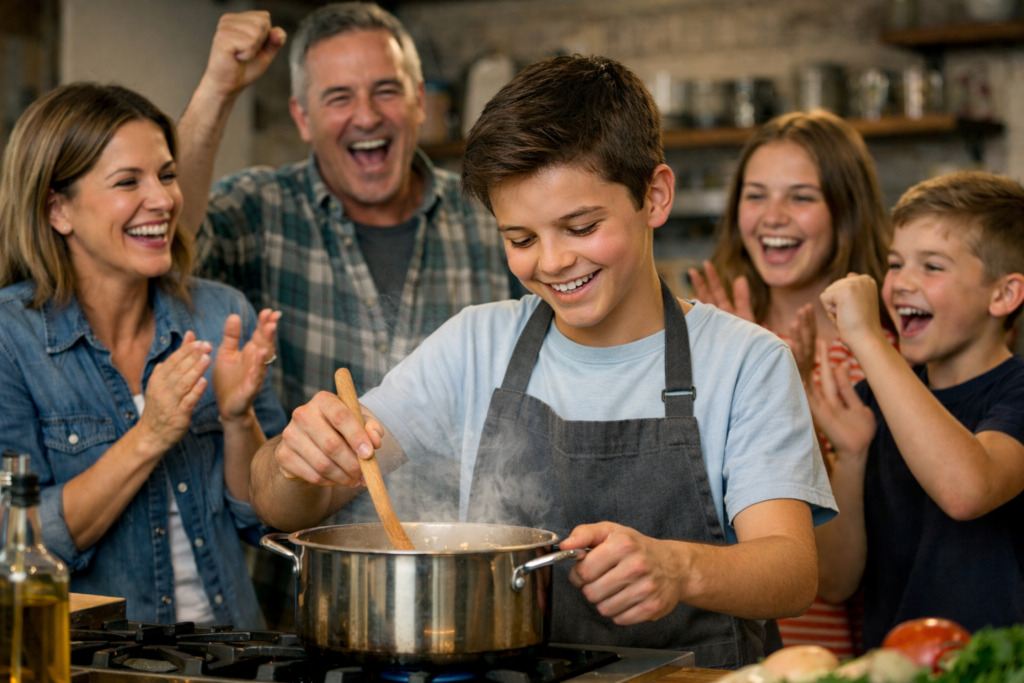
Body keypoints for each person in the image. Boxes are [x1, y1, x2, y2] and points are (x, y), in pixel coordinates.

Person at [249, 55, 838, 669]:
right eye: (521, 239)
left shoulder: (746, 361)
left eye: (580, 227)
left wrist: (680, 566)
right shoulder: (475, 346)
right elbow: (282, 505)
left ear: (655, 196)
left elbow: (792, 571)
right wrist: (297, 462)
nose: (552, 262)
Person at [0, 83, 287, 626]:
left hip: (231, 655)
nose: (162, 200)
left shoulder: (220, 314)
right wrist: (150, 436)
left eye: (167, 174)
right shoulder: (8, 340)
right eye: (128, 181)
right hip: (94, 663)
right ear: (58, 209)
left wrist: (236, 418)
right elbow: (17, 546)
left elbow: (265, 521)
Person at [176, 3, 521, 413]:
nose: (367, 116)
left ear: (419, 102)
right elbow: (169, 243)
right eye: (339, 97)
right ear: (303, 119)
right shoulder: (258, 209)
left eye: (386, 91)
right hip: (304, 480)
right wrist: (217, 88)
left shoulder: (491, 215)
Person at [688, 110, 893, 658]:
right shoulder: (704, 345)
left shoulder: (883, 360)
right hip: (722, 656)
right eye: (756, 195)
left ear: (845, 211)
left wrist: (787, 397)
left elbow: (831, 578)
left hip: (833, 660)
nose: (772, 218)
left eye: (801, 197)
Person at [809, 171, 1024, 648]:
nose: (901, 283)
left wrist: (866, 338)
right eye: (895, 263)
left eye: (932, 266)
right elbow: (836, 582)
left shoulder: (1017, 390)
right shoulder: (874, 401)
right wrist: (852, 454)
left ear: (1004, 294)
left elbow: (967, 489)